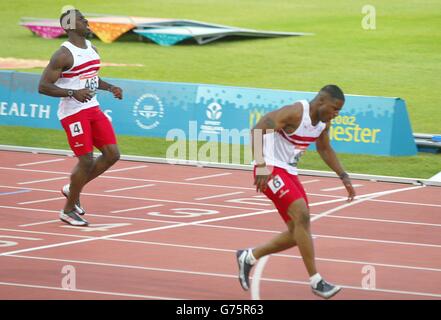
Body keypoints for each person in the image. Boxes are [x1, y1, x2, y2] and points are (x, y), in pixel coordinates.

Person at [236, 85, 356, 299]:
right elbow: (256, 130)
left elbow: (324, 148)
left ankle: (249, 257)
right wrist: (262, 166)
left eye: (339, 111)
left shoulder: (323, 122)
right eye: (335, 109)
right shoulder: (295, 113)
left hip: (289, 170)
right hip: (269, 167)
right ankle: (316, 281)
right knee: (302, 215)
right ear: (321, 102)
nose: (337, 114)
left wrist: (343, 176)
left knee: (298, 233)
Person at [38, 9, 123, 226]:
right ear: (69, 26)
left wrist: (110, 87)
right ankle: (68, 211)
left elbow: (91, 78)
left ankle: (72, 189)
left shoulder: (92, 49)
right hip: (72, 112)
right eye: (81, 19)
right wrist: (72, 92)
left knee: (112, 154)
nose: (86, 21)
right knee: (85, 159)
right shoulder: (63, 54)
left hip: (92, 108)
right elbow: (43, 86)